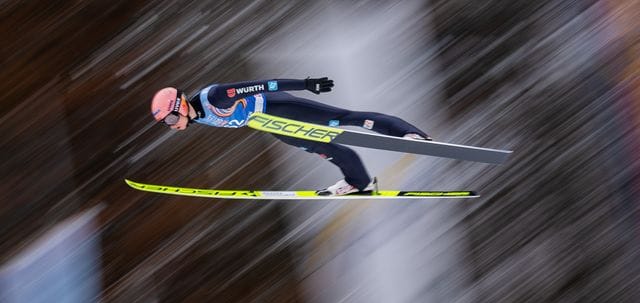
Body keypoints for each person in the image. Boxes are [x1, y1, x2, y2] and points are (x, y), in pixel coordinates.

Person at [150, 77, 431, 195]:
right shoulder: (198, 116)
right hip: (272, 126)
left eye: (172, 118)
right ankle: (359, 182)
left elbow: (262, 84)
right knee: (327, 149)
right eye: (167, 123)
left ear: (181, 106)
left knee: (346, 118)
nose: (173, 125)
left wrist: (306, 84)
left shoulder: (215, 97)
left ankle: (410, 135)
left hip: (280, 107)